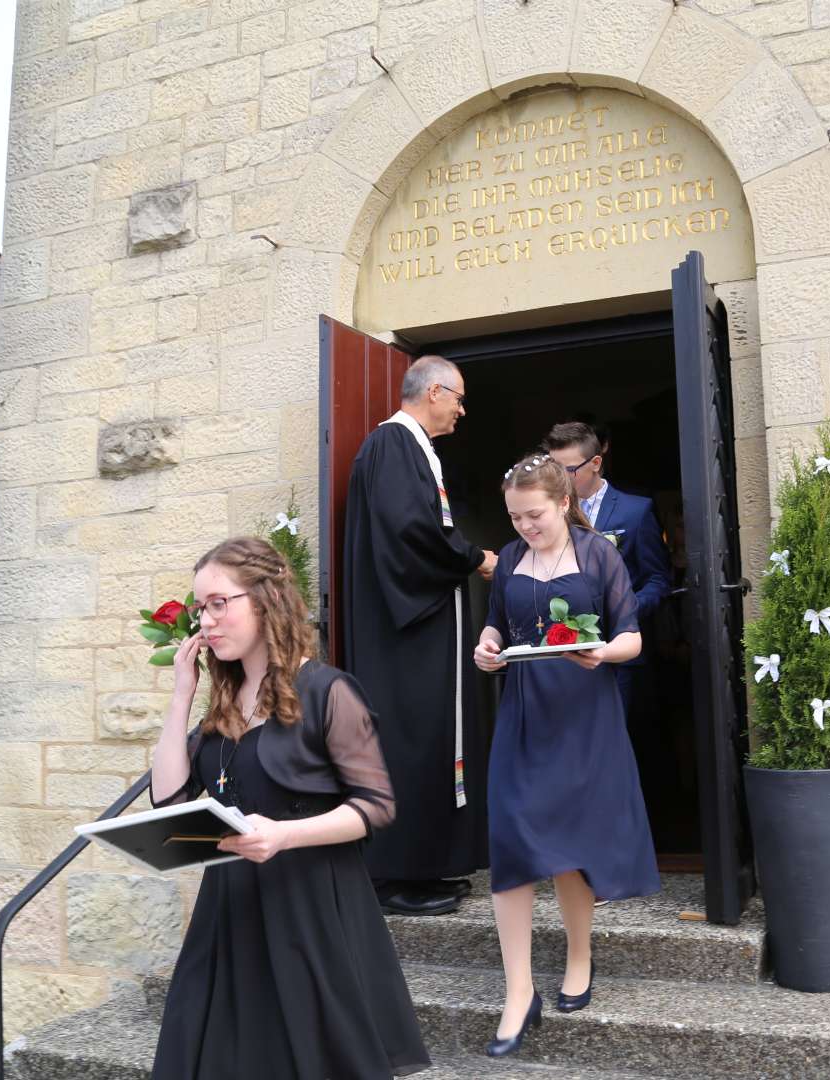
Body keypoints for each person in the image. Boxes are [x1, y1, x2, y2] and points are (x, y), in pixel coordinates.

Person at [148, 537, 429, 1080]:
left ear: (265, 598)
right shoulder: (224, 704)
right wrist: (183, 693)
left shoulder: (327, 691)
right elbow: (171, 798)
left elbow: (375, 806)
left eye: (218, 603)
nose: (205, 621)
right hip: (229, 912)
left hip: (311, 908)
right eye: (199, 607)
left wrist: (283, 835)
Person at [472, 454, 660, 1058]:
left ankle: (579, 955)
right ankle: (517, 989)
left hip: (585, 712)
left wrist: (601, 654)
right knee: (513, 835)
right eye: (515, 517)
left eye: (534, 514)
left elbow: (630, 635)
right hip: (524, 712)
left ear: (560, 503)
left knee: (573, 839)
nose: (524, 526)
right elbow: (498, 626)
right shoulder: (509, 561)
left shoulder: (598, 552)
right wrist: (487, 645)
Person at [342, 354, 496, 916]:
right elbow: (410, 532)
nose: (461, 409)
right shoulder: (391, 445)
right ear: (434, 392)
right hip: (403, 636)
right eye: (457, 398)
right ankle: (393, 877)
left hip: (422, 629)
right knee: (409, 740)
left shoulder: (411, 449)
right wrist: (474, 557)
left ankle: (425, 867)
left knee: (429, 739)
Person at [542, 421, 670, 714]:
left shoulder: (636, 511)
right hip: (559, 649)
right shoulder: (543, 514)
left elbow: (657, 578)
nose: (559, 479)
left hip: (617, 651)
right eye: (553, 469)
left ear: (596, 463)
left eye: (568, 470)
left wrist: (628, 610)